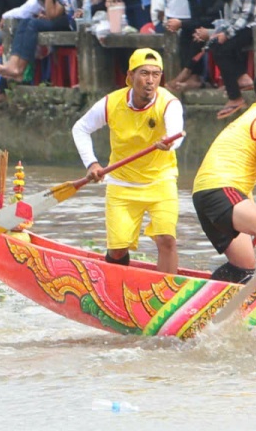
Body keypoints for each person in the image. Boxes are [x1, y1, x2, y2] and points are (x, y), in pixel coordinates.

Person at [69, 48, 184, 272]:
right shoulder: (111, 103)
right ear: (130, 76)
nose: (150, 81)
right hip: (121, 184)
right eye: (144, 73)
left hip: (161, 181)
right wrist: (92, 163)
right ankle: (115, 286)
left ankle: (167, 291)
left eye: (156, 74)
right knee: (118, 250)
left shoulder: (170, 103)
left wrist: (169, 142)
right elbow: (80, 128)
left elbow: (176, 133)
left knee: (166, 240)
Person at [189, 68, 256, 284]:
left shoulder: (249, 116)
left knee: (243, 267)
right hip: (220, 189)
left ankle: (206, 297)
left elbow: (244, 176)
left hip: (204, 193)